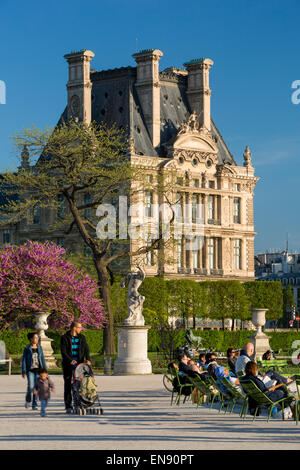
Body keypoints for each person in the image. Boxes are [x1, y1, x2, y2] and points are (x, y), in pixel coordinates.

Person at [60, 321, 91, 414]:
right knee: (68, 385)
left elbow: (86, 349)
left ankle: (79, 403)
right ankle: (68, 405)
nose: (81, 329)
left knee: (79, 385)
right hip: (68, 365)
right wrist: (70, 360)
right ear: (74, 328)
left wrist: (88, 359)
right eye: (79, 327)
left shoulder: (82, 338)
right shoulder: (64, 338)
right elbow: (63, 351)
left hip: (79, 365)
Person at [22, 332, 47, 410]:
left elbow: (42, 359)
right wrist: (23, 371)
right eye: (35, 338)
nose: (37, 339)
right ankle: (28, 400)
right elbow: (24, 360)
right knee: (31, 387)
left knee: (36, 387)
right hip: (30, 371)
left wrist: (45, 371)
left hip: (38, 371)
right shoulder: (27, 349)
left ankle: (34, 404)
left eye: (37, 338)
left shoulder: (40, 348)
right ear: (31, 339)